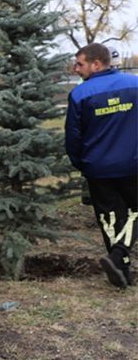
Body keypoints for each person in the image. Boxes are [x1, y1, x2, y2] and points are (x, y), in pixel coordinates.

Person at [66, 43, 138, 288]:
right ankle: (119, 258)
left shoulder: (80, 94)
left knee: (109, 218)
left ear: (96, 64)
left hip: (98, 168)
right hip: (133, 164)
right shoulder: (135, 85)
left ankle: (120, 268)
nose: (75, 69)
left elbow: (73, 138)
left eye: (80, 64)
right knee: (133, 213)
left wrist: (83, 164)